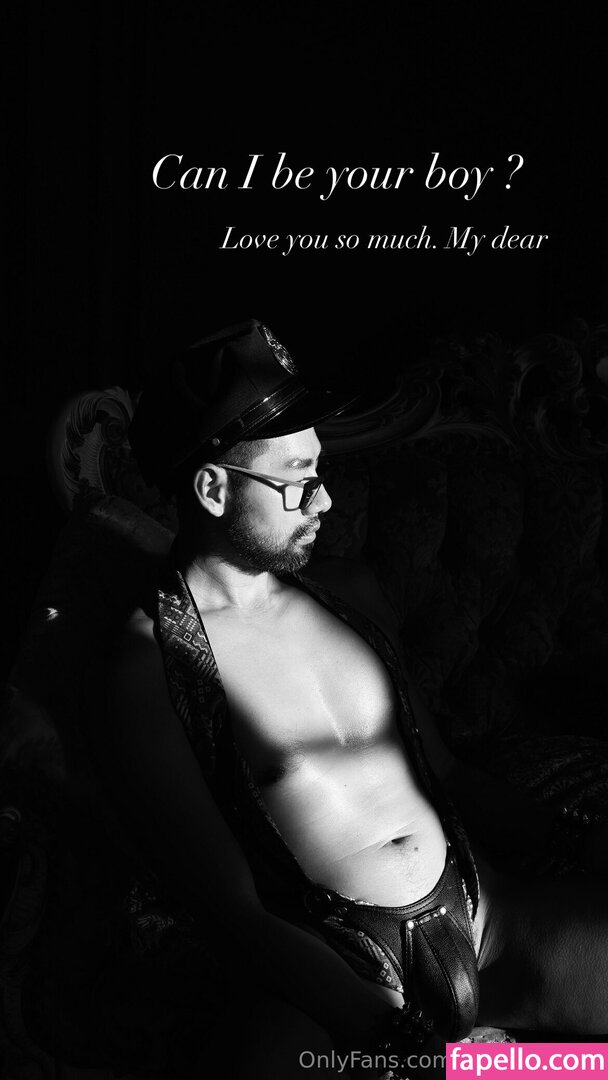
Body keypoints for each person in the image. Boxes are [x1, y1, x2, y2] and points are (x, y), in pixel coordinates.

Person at [91, 320, 608, 1079]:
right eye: (299, 480)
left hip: (486, 924)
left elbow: (448, 774)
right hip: (340, 975)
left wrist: (579, 837)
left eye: (322, 471)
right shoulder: (146, 667)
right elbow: (230, 911)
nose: (326, 500)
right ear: (212, 489)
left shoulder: (349, 596)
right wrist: (386, 1031)